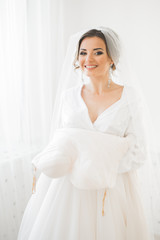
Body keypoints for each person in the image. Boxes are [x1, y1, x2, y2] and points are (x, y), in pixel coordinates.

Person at [18, 27, 160, 240]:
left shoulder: (129, 97)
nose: (88, 58)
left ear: (112, 58)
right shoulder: (68, 97)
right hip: (67, 190)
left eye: (98, 52)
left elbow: (139, 152)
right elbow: (59, 142)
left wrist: (99, 166)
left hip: (111, 189)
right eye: (83, 52)